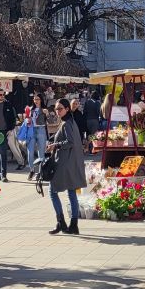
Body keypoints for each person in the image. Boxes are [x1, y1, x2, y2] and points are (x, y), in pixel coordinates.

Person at [46, 98, 87, 235]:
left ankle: (61, 222)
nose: (57, 111)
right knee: (71, 193)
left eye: (60, 109)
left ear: (67, 109)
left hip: (65, 163)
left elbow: (70, 142)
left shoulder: (67, 123)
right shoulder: (70, 121)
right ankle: (73, 225)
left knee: (52, 191)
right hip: (72, 163)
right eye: (56, 109)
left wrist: (55, 145)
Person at [23, 93, 49, 180]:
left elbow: (50, 121)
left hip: (41, 130)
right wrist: (26, 118)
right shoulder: (30, 109)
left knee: (41, 153)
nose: (36, 101)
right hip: (31, 130)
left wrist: (47, 114)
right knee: (30, 152)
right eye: (34, 99)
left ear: (41, 100)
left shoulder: (44, 109)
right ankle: (32, 170)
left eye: (37, 99)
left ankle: (41, 172)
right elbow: (26, 121)